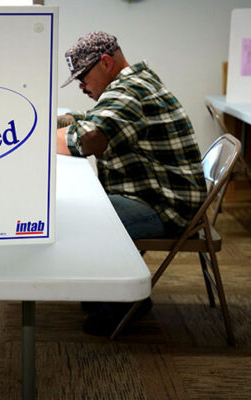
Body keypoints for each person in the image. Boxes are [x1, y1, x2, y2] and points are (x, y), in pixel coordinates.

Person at [56, 31, 207, 336]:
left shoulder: (129, 91)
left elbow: (87, 140)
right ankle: (112, 288)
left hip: (166, 207)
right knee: (85, 205)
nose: (83, 86)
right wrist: (60, 120)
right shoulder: (132, 84)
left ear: (106, 62)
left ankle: (126, 302)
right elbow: (95, 118)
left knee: (76, 215)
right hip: (160, 194)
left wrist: (35, 138)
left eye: (83, 77)